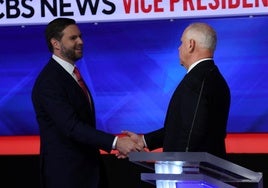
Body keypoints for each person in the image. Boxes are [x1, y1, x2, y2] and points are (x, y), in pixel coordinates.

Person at [31, 17, 142, 188]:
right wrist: (116, 143)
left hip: (89, 172)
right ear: (56, 43)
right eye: (73, 38)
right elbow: (71, 126)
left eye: (80, 36)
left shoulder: (71, 75)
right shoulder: (49, 82)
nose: (81, 41)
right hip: (66, 177)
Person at [123, 22, 231, 159]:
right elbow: (182, 129)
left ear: (191, 45)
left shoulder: (196, 81)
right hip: (204, 172)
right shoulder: (216, 79)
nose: (179, 48)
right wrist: (144, 141)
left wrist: (167, 164)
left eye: (181, 43)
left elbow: (191, 135)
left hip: (190, 175)